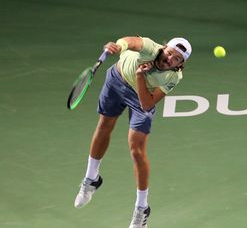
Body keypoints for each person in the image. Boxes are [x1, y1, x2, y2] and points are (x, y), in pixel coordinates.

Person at [73, 35, 192, 228]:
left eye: (177, 59)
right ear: (164, 48)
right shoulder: (150, 48)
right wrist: (117, 46)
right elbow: (130, 41)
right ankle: (91, 179)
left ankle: (141, 209)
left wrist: (139, 76)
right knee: (104, 126)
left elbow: (146, 104)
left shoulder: (173, 77)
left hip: (141, 98)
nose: (170, 59)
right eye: (170, 53)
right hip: (116, 81)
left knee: (137, 150)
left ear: (180, 65)